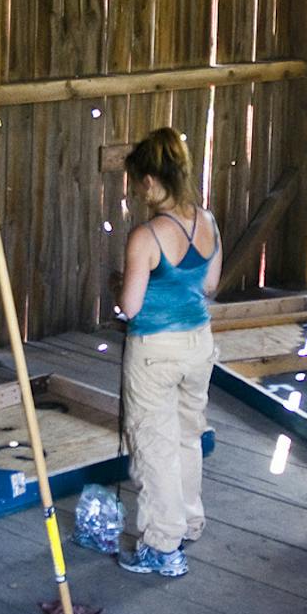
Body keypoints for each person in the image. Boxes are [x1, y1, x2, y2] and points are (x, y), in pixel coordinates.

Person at [113, 128, 222, 579]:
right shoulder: (208, 221)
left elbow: (131, 306)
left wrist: (117, 291)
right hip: (199, 343)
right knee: (187, 435)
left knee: (154, 445)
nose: (137, 189)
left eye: (139, 180)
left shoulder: (147, 236)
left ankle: (162, 546)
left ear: (153, 181)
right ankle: (189, 521)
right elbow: (211, 286)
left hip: (155, 350)